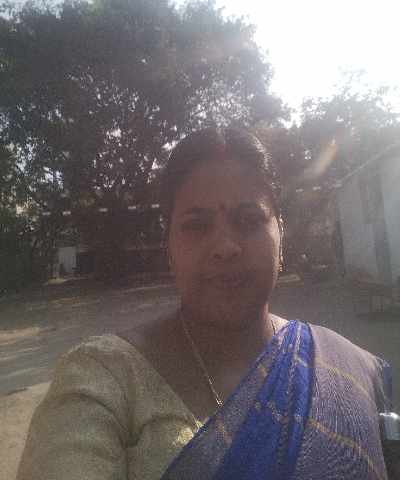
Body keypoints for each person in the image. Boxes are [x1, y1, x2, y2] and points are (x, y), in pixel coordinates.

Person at [17, 127, 391, 479]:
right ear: (169, 248)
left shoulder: (350, 368)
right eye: (197, 225)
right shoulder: (103, 382)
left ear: (281, 237)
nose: (225, 247)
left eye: (249, 219)